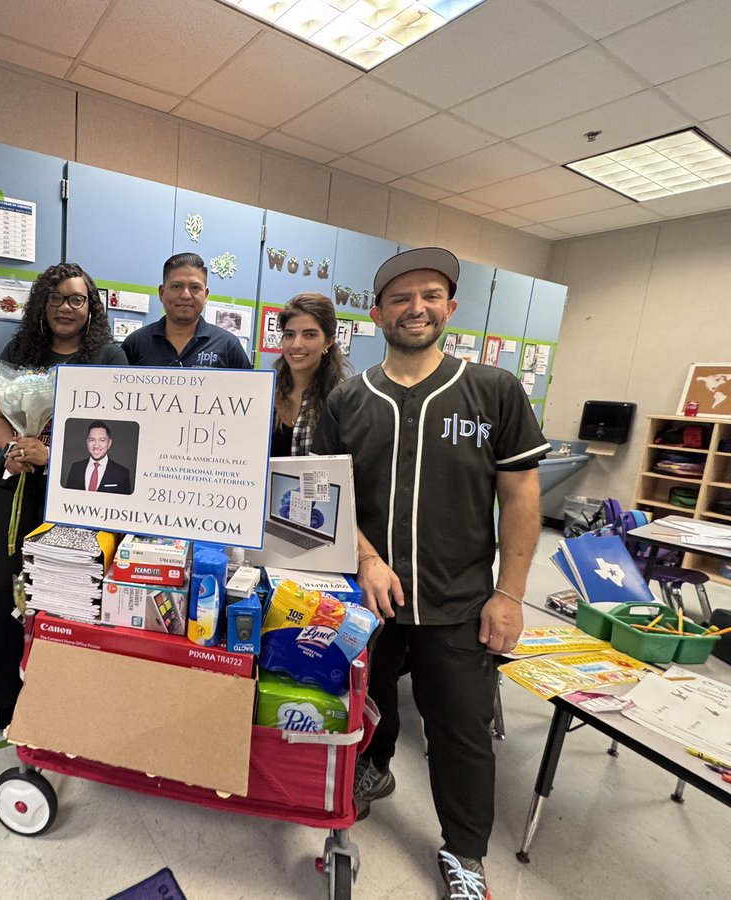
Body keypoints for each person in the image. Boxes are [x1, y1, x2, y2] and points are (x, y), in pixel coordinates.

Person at [311, 247, 549, 900]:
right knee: (363, 711)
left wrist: (509, 594)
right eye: (400, 297)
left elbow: (522, 497)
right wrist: (366, 557)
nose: (416, 308)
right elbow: (330, 495)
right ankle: (373, 771)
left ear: (450, 306)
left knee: (462, 735)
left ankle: (465, 855)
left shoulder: (495, 390)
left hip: (460, 602)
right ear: (377, 310)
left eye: (430, 295)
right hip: (370, 602)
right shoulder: (348, 398)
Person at [0, 262, 127, 729]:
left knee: (69, 594)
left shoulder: (109, 357)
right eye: (57, 298)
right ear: (41, 304)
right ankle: (10, 700)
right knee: (5, 590)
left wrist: (54, 455)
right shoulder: (19, 349)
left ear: (90, 306)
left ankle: (63, 698)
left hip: (78, 493)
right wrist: (13, 448)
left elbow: (118, 431)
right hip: (16, 483)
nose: (66, 308)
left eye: (77, 299)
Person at [121, 253, 252, 368]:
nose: (185, 295)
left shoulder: (228, 346)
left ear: (206, 295)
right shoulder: (135, 344)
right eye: (177, 286)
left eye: (195, 287)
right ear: (162, 292)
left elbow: (251, 392)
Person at [269, 293, 349, 456]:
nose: (297, 344)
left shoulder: (340, 400)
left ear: (328, 341)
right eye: (289, 335)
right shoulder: (266, 392)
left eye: (309, 335)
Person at [64, 421, 132, 493]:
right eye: (92, 440)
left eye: (102, 440)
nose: (96, 445)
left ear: (109, 443)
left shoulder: (122, 473)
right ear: (87, 442)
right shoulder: (76, 468)